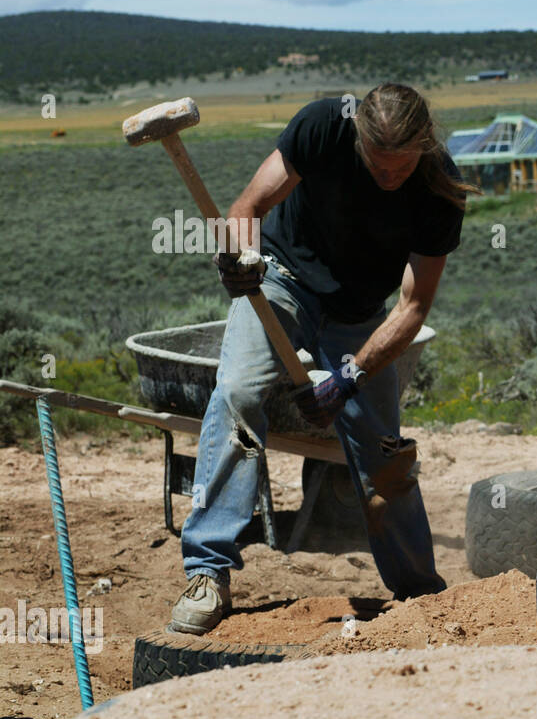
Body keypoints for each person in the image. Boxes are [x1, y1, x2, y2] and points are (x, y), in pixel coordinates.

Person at [169, 83, 474, 635]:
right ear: (357, 137)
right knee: (237, 390)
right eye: (376, 164)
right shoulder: (324, 125)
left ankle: (419, 588)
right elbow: (249, 207)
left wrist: (349, 377)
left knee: (383, 447)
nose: (387, 176)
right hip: (282, 280)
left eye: (399, 167)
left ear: (423, 145)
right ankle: (207, 571)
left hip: (362, 310)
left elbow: (412, 306)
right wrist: (237, 258)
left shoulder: (439, 188)